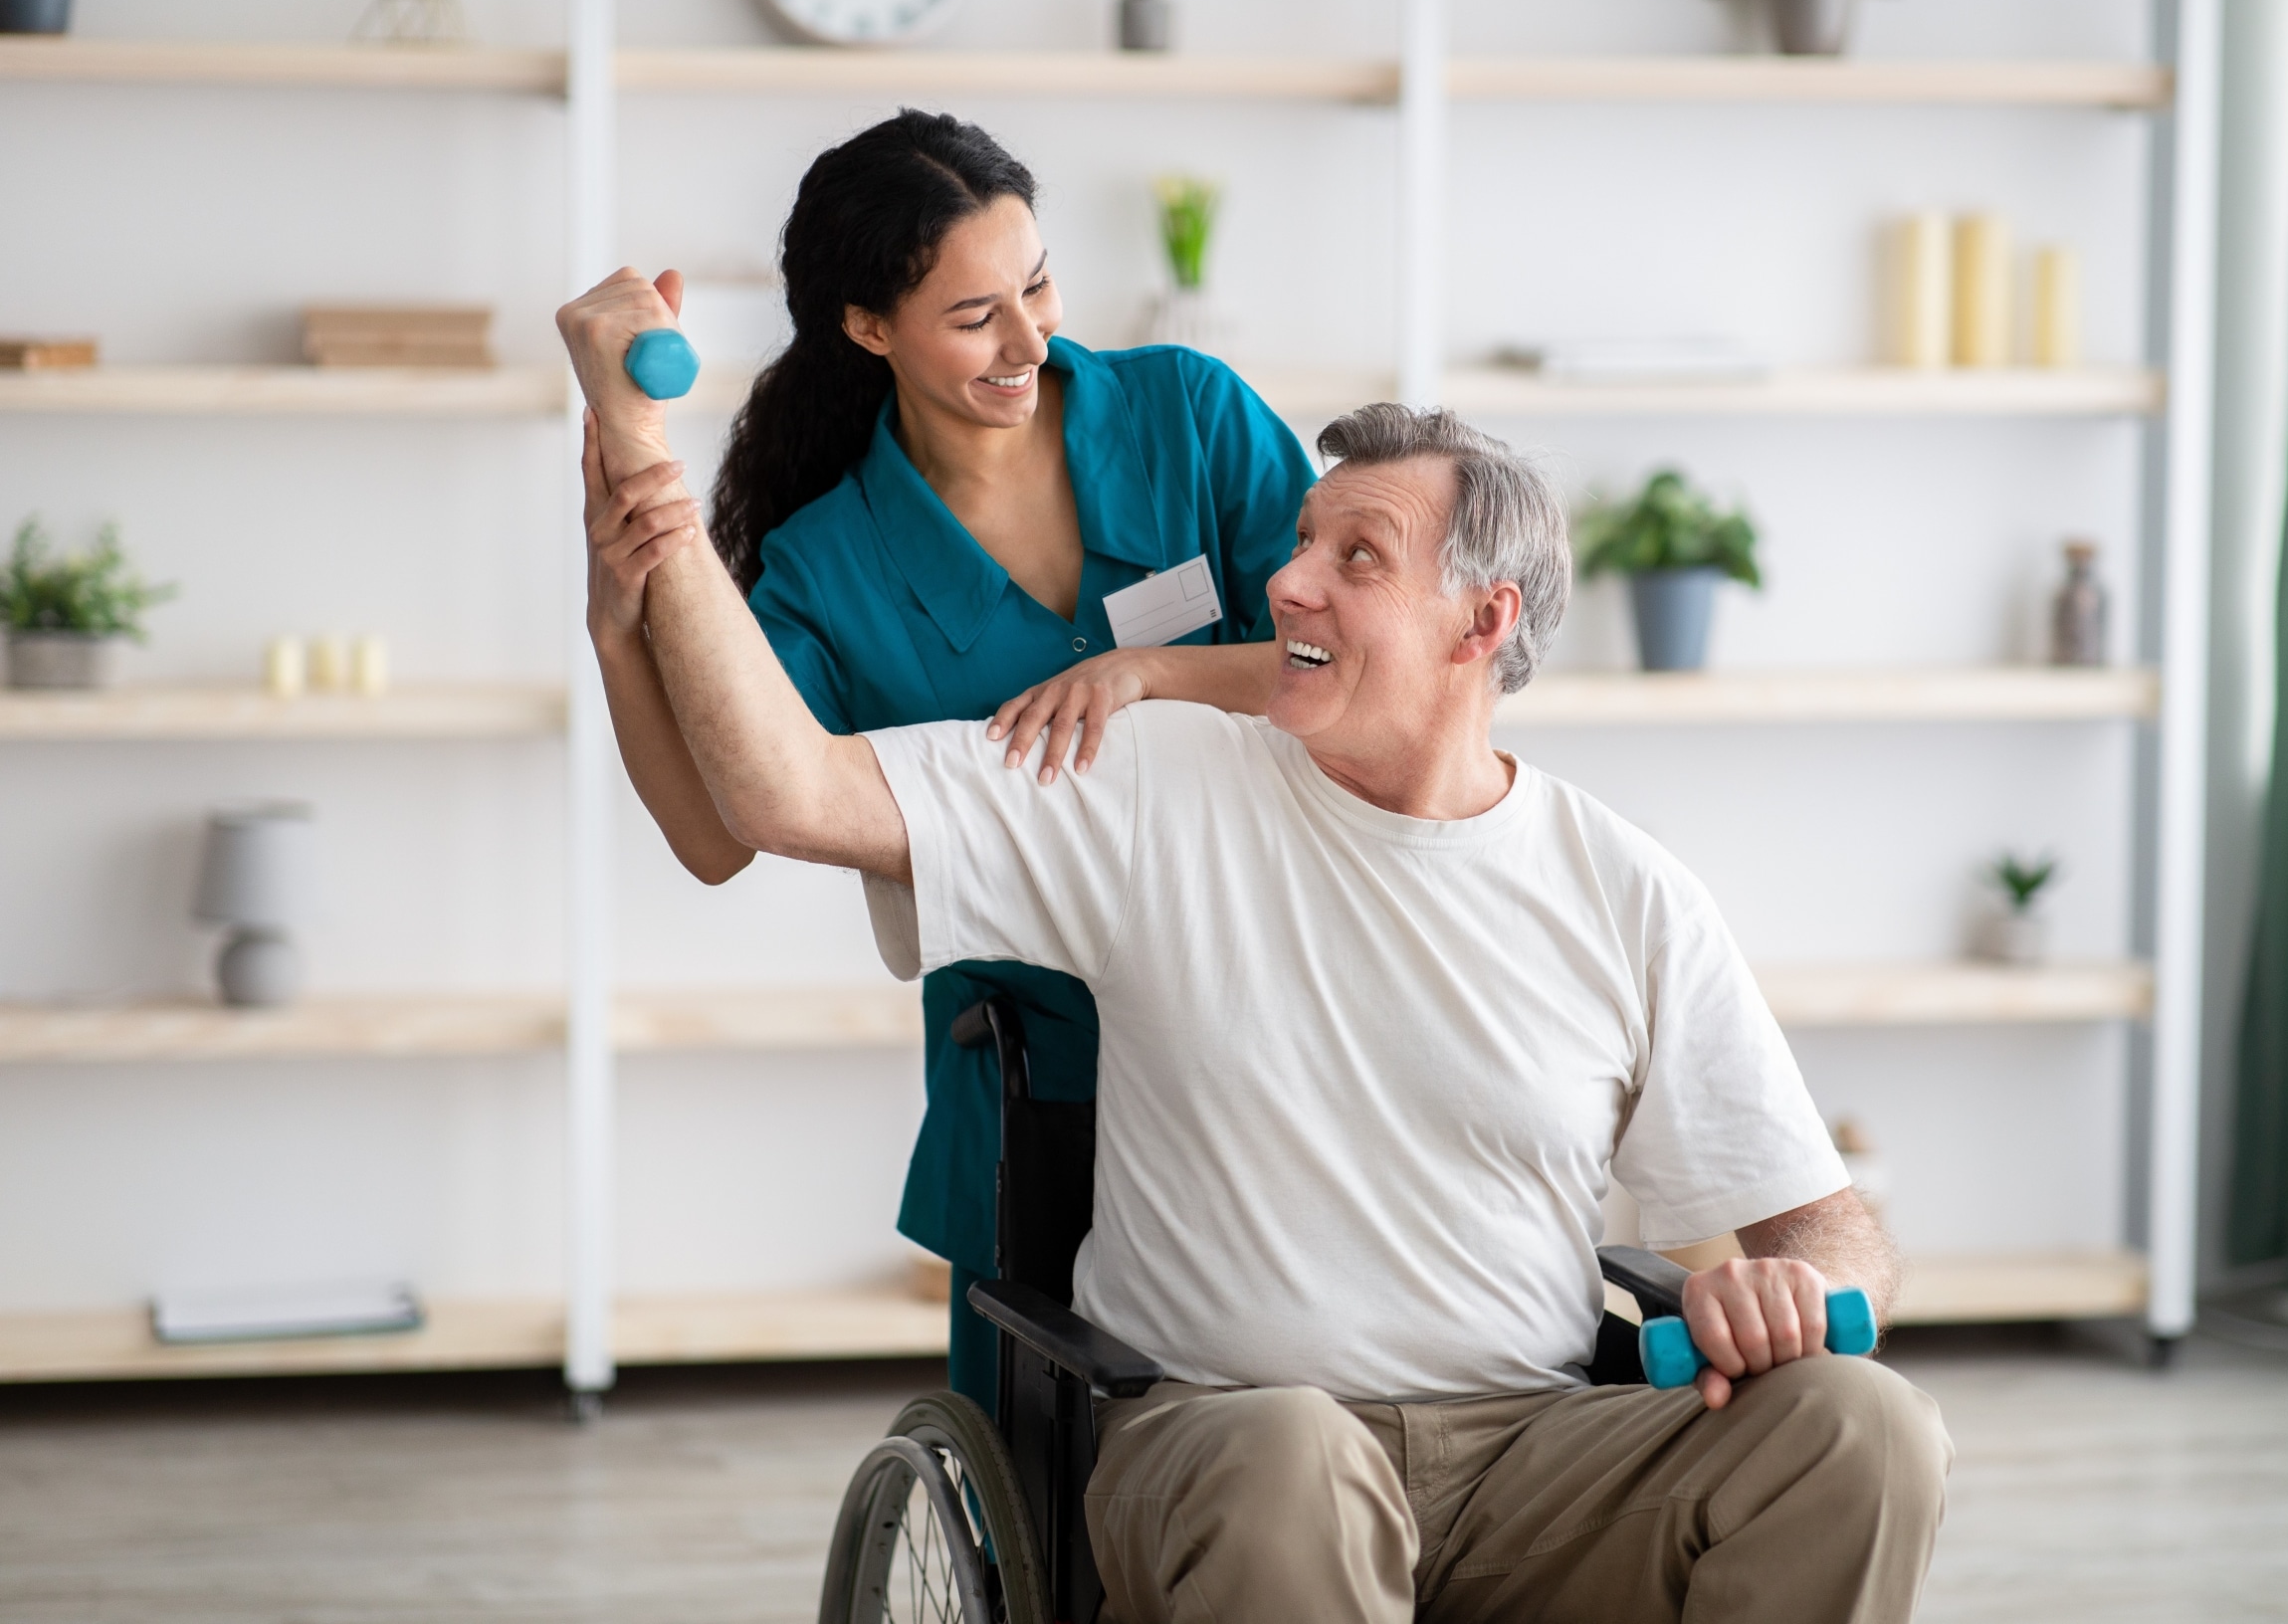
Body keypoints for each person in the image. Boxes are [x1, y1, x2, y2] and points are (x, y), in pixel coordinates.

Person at [555, 312, 1953, 1617]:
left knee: (1864, 1424)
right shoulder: (1151, 787)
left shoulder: (1624, 889)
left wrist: (1799, 1297)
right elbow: (786, 793)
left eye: (1358, 559)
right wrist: (649, 487)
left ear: (1485, 626)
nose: (1283, 578)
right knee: (1297, 1451)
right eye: (1302, 541)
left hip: (1535, 1455)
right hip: (1225, 1436)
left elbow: (1831, 1233)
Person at [572, 109, 1314, 1408]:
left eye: (1036, 284)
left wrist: (1148, 669)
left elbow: (1348, 668)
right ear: (868, 328)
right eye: (975, 316)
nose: (1031, 339)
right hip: (1041, 1092)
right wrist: (617, 633)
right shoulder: (825, 562)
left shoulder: (1191, 418)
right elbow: (713, 833)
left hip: (1281, 1028)